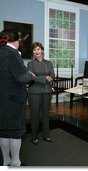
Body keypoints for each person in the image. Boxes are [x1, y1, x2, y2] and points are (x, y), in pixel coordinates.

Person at [0, 29, 35, 166]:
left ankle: (5, 160)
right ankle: (16, 162)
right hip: (13, 100)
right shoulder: (12, 53)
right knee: (15, 131)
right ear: (16, 41)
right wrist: (30, 75)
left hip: (1, 99)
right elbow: (22, 77)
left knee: (3, 131)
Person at [27, 42, 55, 145]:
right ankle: (34, 137)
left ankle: (46, 135)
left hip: (47, 91)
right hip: (34, 92)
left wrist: (38, 77)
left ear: (42, 50)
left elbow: (53, 75)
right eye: (34, 50)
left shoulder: (49, 63)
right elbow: (31, 77)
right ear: (33, 52)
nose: (36, 52)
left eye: (38, 49)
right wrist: (45, 78)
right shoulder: (30, 64)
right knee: (34, 115)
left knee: (45, 114)